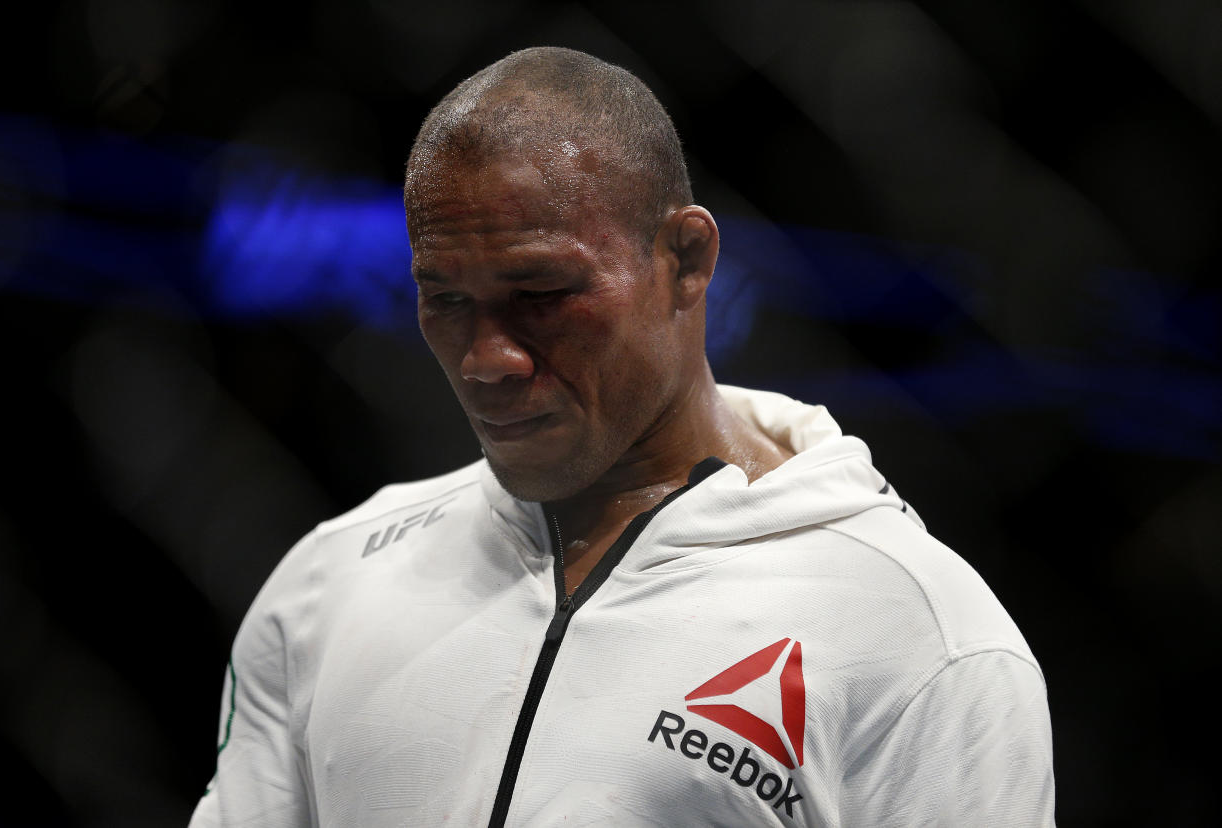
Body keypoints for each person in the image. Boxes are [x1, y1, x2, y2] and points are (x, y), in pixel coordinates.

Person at [191, 47, 1055, 827]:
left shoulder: (917, 636)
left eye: (542, 294)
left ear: (685, 260)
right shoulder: (329, 584)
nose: (486, 359)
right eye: (446, 298)